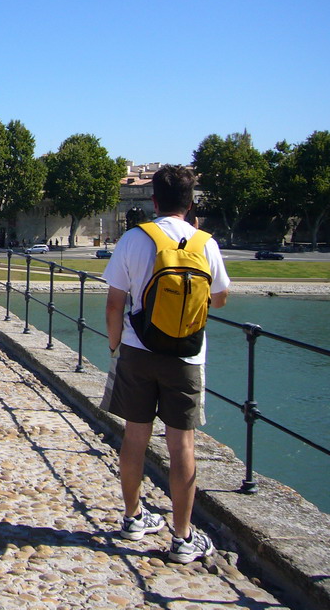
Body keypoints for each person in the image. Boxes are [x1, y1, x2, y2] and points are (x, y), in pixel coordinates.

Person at [101, 164, 230, 563]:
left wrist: (115, 344)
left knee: (135, 437)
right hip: (187, 356)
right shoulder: (205, 243)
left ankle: (133, 517)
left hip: (139, 351)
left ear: (153, 200)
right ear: (191, 204)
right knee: (182, 445)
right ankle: (182, 537)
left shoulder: (134, 239)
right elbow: (221, 296)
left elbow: (114, 302)